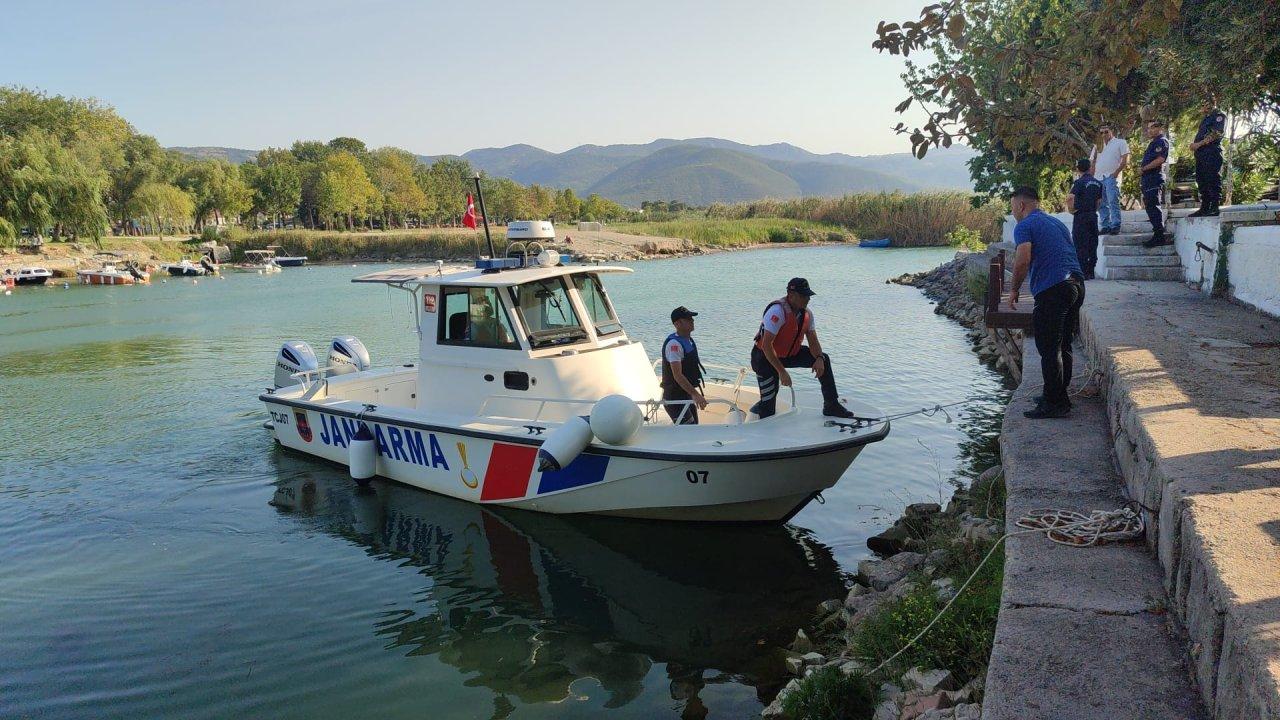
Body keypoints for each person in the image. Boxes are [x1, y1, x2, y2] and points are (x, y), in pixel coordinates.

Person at [1008, 187, 1086, 419]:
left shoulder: (1024, 225)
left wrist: (1014, 289)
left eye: (1012, 207)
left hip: (1054, 289)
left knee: (1049, 348)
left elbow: (1022, 260)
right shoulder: (1056, 223)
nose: (1013, 212)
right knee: (1064, 344)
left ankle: (1055, 404)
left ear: (1021, 205)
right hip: (1076, 285)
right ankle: (1057, 394)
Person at [749, 278, 854, 419]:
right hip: (764, 358)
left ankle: (831, 405)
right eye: (804, 296)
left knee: (824, 359)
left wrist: (819, 358)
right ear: (791, 295)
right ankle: (758, 413)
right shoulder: (777, 312)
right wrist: (782, 372)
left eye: (808, 295)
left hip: (788, 354)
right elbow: (767, 346)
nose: (808, 299)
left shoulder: (807, 314)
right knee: (768, 408)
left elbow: (813, 340)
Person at [660, 306, 706, 424]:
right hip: (675, 398)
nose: (692, 320)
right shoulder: (674, 345)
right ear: (677, 324)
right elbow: (677, 375)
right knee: (689, 430)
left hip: (685, 394)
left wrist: (692, 393)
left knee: (694, 427)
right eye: (688, 319)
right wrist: (695, 394)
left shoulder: (688, 340)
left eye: (692, 318)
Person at [1090, 124, 1130, 235]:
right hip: (1098, 177)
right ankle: (1105, 226)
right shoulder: (1097, 146)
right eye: (1101, 132)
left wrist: (1116, 173)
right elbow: (1092, 162)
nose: (1103, 134)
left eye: (1106, 132)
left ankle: (1116, 225)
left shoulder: (1120, 142)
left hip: (1111, 177)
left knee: (1112, 200)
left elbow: (1125, 160)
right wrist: (1091, 178)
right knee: (1101, 203)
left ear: (1112, 131)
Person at [1066, 158, 1103, 279]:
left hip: (1081, 216)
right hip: (1092, 216)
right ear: (1089, 168)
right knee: (1092, 243)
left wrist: (1072, 210)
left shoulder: (1079, 182)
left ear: (1078, 169)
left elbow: (1070, 197)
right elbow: (1099, 202)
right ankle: (1090, 271)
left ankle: (1081, 272)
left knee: (1080, 243)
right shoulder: (1098, 183)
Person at [1189, 102, 1227, 217]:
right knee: (1202, 180)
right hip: (1201, 154)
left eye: (1202, 104)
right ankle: (1205, 207)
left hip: (1212, 153)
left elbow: (1217, 133)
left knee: (1212, 179)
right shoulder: (1206, 118)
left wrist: (1198, 144)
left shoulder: (1219, 115)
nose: (1201, 107)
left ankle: (1214, 207)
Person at [1139, 121, 1171, 248]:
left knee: (1153, 206)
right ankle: (1157, 234)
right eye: (1148, 128)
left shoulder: (1161, 142)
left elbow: (1160, 159)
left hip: (1154, 178)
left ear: (1160, 128)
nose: (1149, 130)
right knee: (1150, 206)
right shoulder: (1153, 143)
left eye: (1152, 127)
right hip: (1148, 179)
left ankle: (1159, 235)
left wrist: (1144, 168)